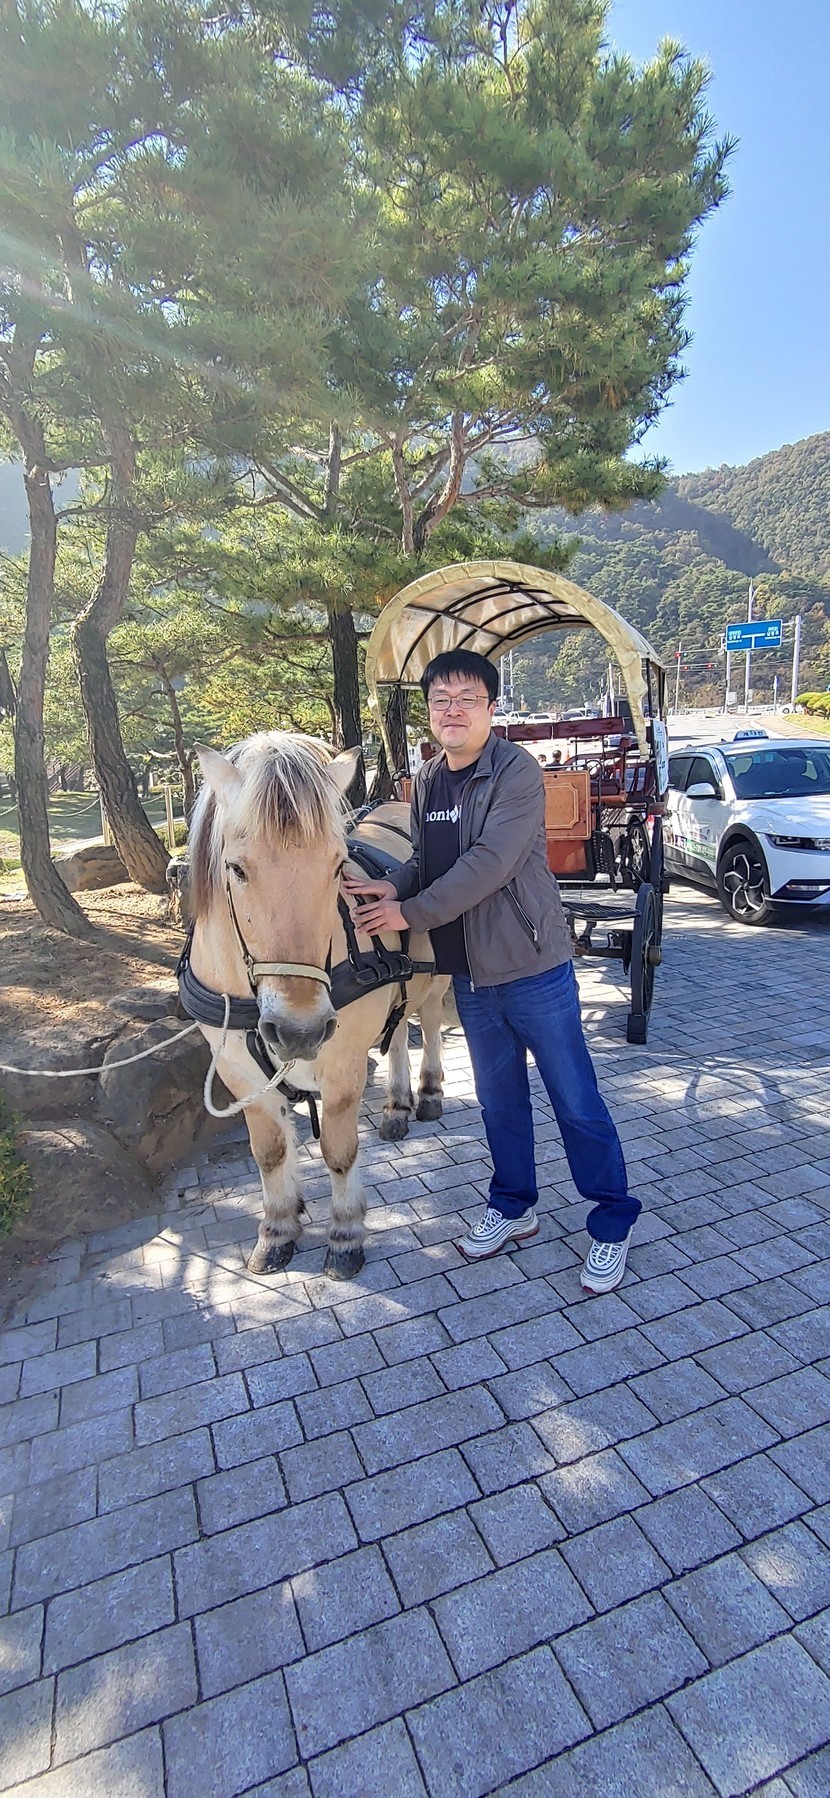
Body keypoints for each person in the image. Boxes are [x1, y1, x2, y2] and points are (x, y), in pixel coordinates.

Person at [344, 650, 640, 1292]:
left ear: (491, 707)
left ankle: (611, 1221)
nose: (452, 710)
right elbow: (427, 861)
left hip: (531, 966)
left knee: (575, 1100)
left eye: (466, 699)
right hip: (469, 976)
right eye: (440, 700)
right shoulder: (427, 777)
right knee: (499, 1101)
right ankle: (513, 1206)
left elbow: (487, 864)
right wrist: (388, 886)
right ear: (428, 710)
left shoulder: (516, 772)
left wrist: (408, 912)